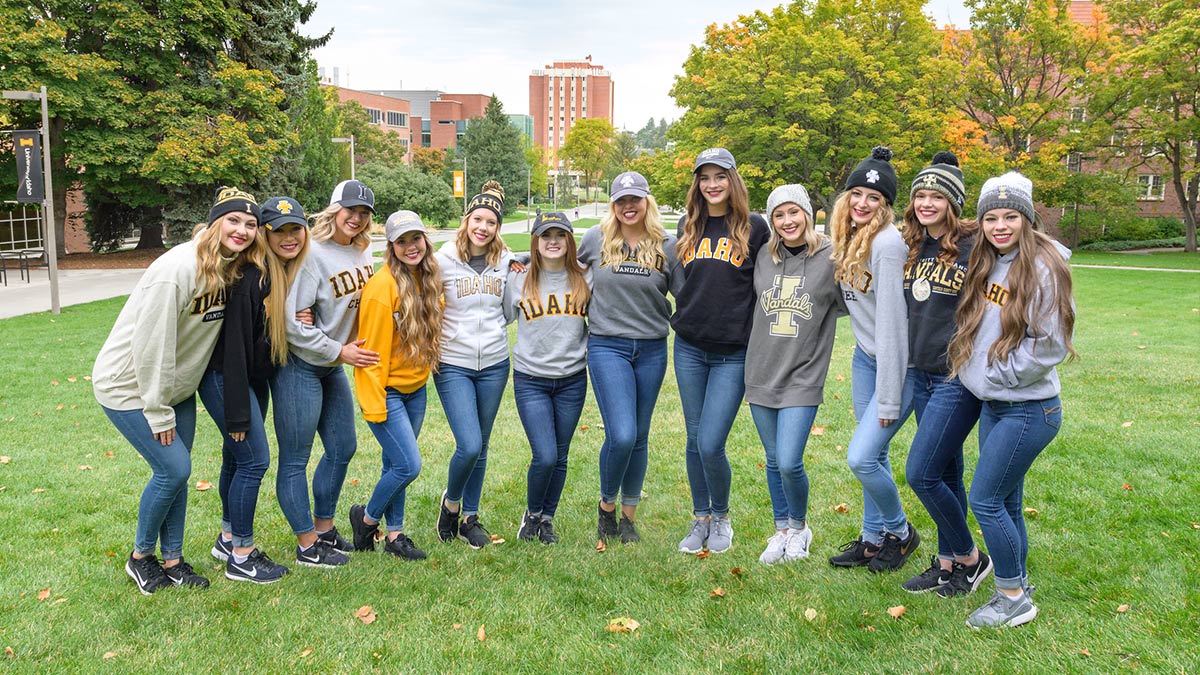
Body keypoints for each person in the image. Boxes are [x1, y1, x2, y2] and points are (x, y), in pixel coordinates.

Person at [94, 187, 262, 594]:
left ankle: (173, 560)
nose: (241, 230)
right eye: (233, 220)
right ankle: (141, 558)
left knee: (177, 476)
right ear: (214, 222)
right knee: (173, 469)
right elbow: (151, 346)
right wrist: (157, 409)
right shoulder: (177, 269)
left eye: (250, 224)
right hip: (130, 386)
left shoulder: (230, 267)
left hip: (177, 387)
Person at [948, 171, 1076, 628]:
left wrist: (997, 373)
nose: (1000, 225)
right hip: (995, 403)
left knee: (984, 500)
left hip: (1029, 408)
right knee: (1008, 502)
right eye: (991, 217)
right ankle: (1018, 580)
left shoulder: (1045, 266)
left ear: (1027, 218)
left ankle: (1012, 598)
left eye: (1010, 216)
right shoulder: (991, 261)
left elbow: (1051, 345)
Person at [201, 196, 311, 584]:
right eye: (276, 230)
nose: (286, 237)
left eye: (293, 229)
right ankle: (242, 556)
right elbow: (232, 349)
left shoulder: (276, 273)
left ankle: (227, 537)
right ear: (264, 235)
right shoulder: (251, 277)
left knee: (235, 458)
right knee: (253, 460)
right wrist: (236, 413)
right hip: (225, 378)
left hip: (251, 378)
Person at [898, 153, 993, 597]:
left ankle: (971, 558)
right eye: (921, 194)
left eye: (937, 195)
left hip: (955, 377)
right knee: (947, 472)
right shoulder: (913, 244)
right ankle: (945, 562)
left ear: (953, 202)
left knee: (921, 473)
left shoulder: (976, 245)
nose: (927, 203)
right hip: (920, 373)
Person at [274, 179, 379, 568]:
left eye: (364, 212)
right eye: (350, 209)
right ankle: (306, 545)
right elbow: (291, 322)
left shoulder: (362, 253)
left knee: (342, 447)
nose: (357, 218)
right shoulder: (312, 254)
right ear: (334, 209)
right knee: (295, 458)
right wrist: (338, 349)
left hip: (333, 365)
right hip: (301, 366)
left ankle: (324, 529)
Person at [827, 146, 921, 573]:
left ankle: (900, 534)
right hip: (865, 357)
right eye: (857, 194)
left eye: (875, 199)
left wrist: (889, 398)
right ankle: (870, 539)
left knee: (862, 457)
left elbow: (892, 325)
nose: (863, 203)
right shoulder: (849, 237)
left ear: (886, 207)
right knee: (875, 458)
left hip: (894, 365)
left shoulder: (886, 244)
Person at [672, 148, 770, 554]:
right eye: (705, 177)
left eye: (720, 176)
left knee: (711, 441)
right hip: (690, 348)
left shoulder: (755, 227)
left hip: (732, 351)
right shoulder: (686, 224)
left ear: (733, 180)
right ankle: (701, 519)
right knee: (694, 440)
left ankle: (722, 516)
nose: (712, 185)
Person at [578, 171, 681, 545]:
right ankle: (607, 507)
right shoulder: (596, 239)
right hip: (608, 345)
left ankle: (628, 517)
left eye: (635, 199)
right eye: (621, 200)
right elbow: (559, 265)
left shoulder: (667, 245)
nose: (628, 206)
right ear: (613, 205)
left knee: (639, 435)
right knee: (621, 434)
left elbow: (686, 294)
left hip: (652, 347)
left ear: (647, 201)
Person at [745, 184, 843, 565]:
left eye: (794, 212)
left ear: (808, 214)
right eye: (779, 215)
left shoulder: (832, 256)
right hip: (761, 370)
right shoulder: (764, 258)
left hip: (804, 373)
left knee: (789, 460)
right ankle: (781, 529)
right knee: (772, 459)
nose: (787, 221)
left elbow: (857, 301)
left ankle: (800, 528)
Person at [348, 211, 443, 561]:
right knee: (408, 465)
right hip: (385, 392)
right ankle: (367, 520)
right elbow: (370, 355)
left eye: (414, 238)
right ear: (391, 246)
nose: (410, 246)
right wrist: (374, 405)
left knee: (394, 465)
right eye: (401, 241)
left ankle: (395, 536)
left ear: (424, 240)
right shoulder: (381, 288)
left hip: (416, 388)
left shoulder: (430, 279)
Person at [434, 181, 515, 549]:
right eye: (478, 219)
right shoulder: (442, 260)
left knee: (482, 444)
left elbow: (510, 311)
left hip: (496, 363)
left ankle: (470, 517)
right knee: (468, 444)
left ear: (498, 227)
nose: (484, 227)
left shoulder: (504, 261)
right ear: (466, 220)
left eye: (492, 222)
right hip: (453, 363)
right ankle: (451, 504)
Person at [504, 212, 592, 544]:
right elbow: (499, 317)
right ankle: (532, 513)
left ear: (570, 240)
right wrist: (517, 260)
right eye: (545, 235)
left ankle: (546, 519)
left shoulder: (586, 276)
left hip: (571, 378)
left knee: (562, 453)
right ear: (536, 242)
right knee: (545, 454)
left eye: (560, 234)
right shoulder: (518, 279)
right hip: (531, 379)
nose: (552, 240)